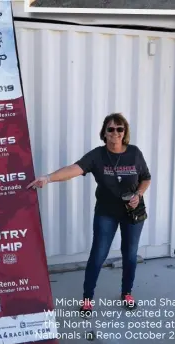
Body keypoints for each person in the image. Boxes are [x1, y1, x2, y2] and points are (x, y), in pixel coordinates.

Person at [27, 113, 151, 312]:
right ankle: (87, 297)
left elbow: (146, 177)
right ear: (104, 132)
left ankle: (127, 292)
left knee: (130, 254)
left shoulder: (134, 153)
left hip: (132, 212)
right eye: (111, 129)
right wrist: (48, 178)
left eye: (120, 129)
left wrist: (139, 193)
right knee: (98, 255)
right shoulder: (97, 155)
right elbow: (73, 169)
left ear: (125, 131)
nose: (116, 133)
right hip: (106, 213)